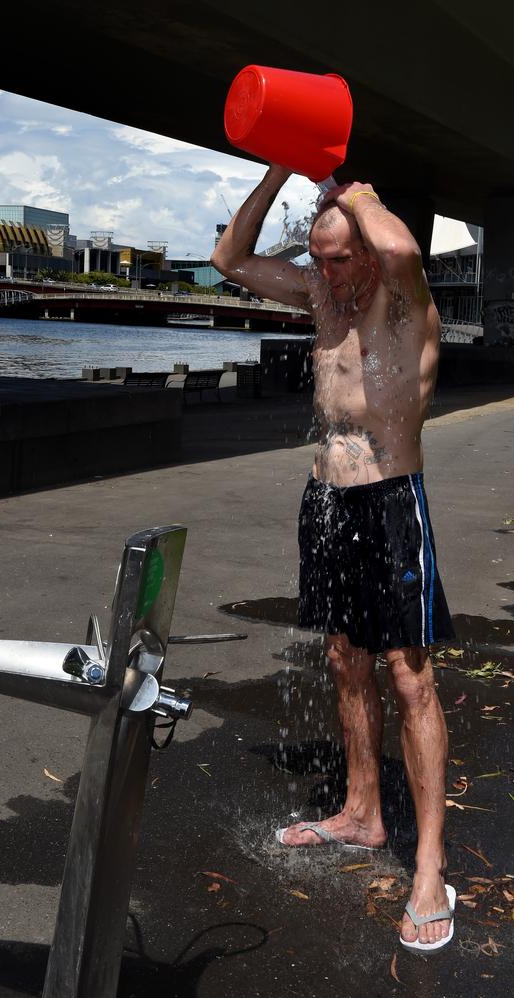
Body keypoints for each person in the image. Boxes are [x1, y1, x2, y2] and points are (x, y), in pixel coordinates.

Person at [211, 167, 456, 953]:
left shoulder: (403, 300)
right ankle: (360, 812)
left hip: (389, 501)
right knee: (346, 660)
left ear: (368, 253)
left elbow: (402, 245)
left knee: (409, 675)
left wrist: (355, 191)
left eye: (340, 259)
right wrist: (281, 170)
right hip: (326, 500)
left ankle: (427, 864)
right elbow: (229, 259)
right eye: (317, 259)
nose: (326, 274)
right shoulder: (321, 297)